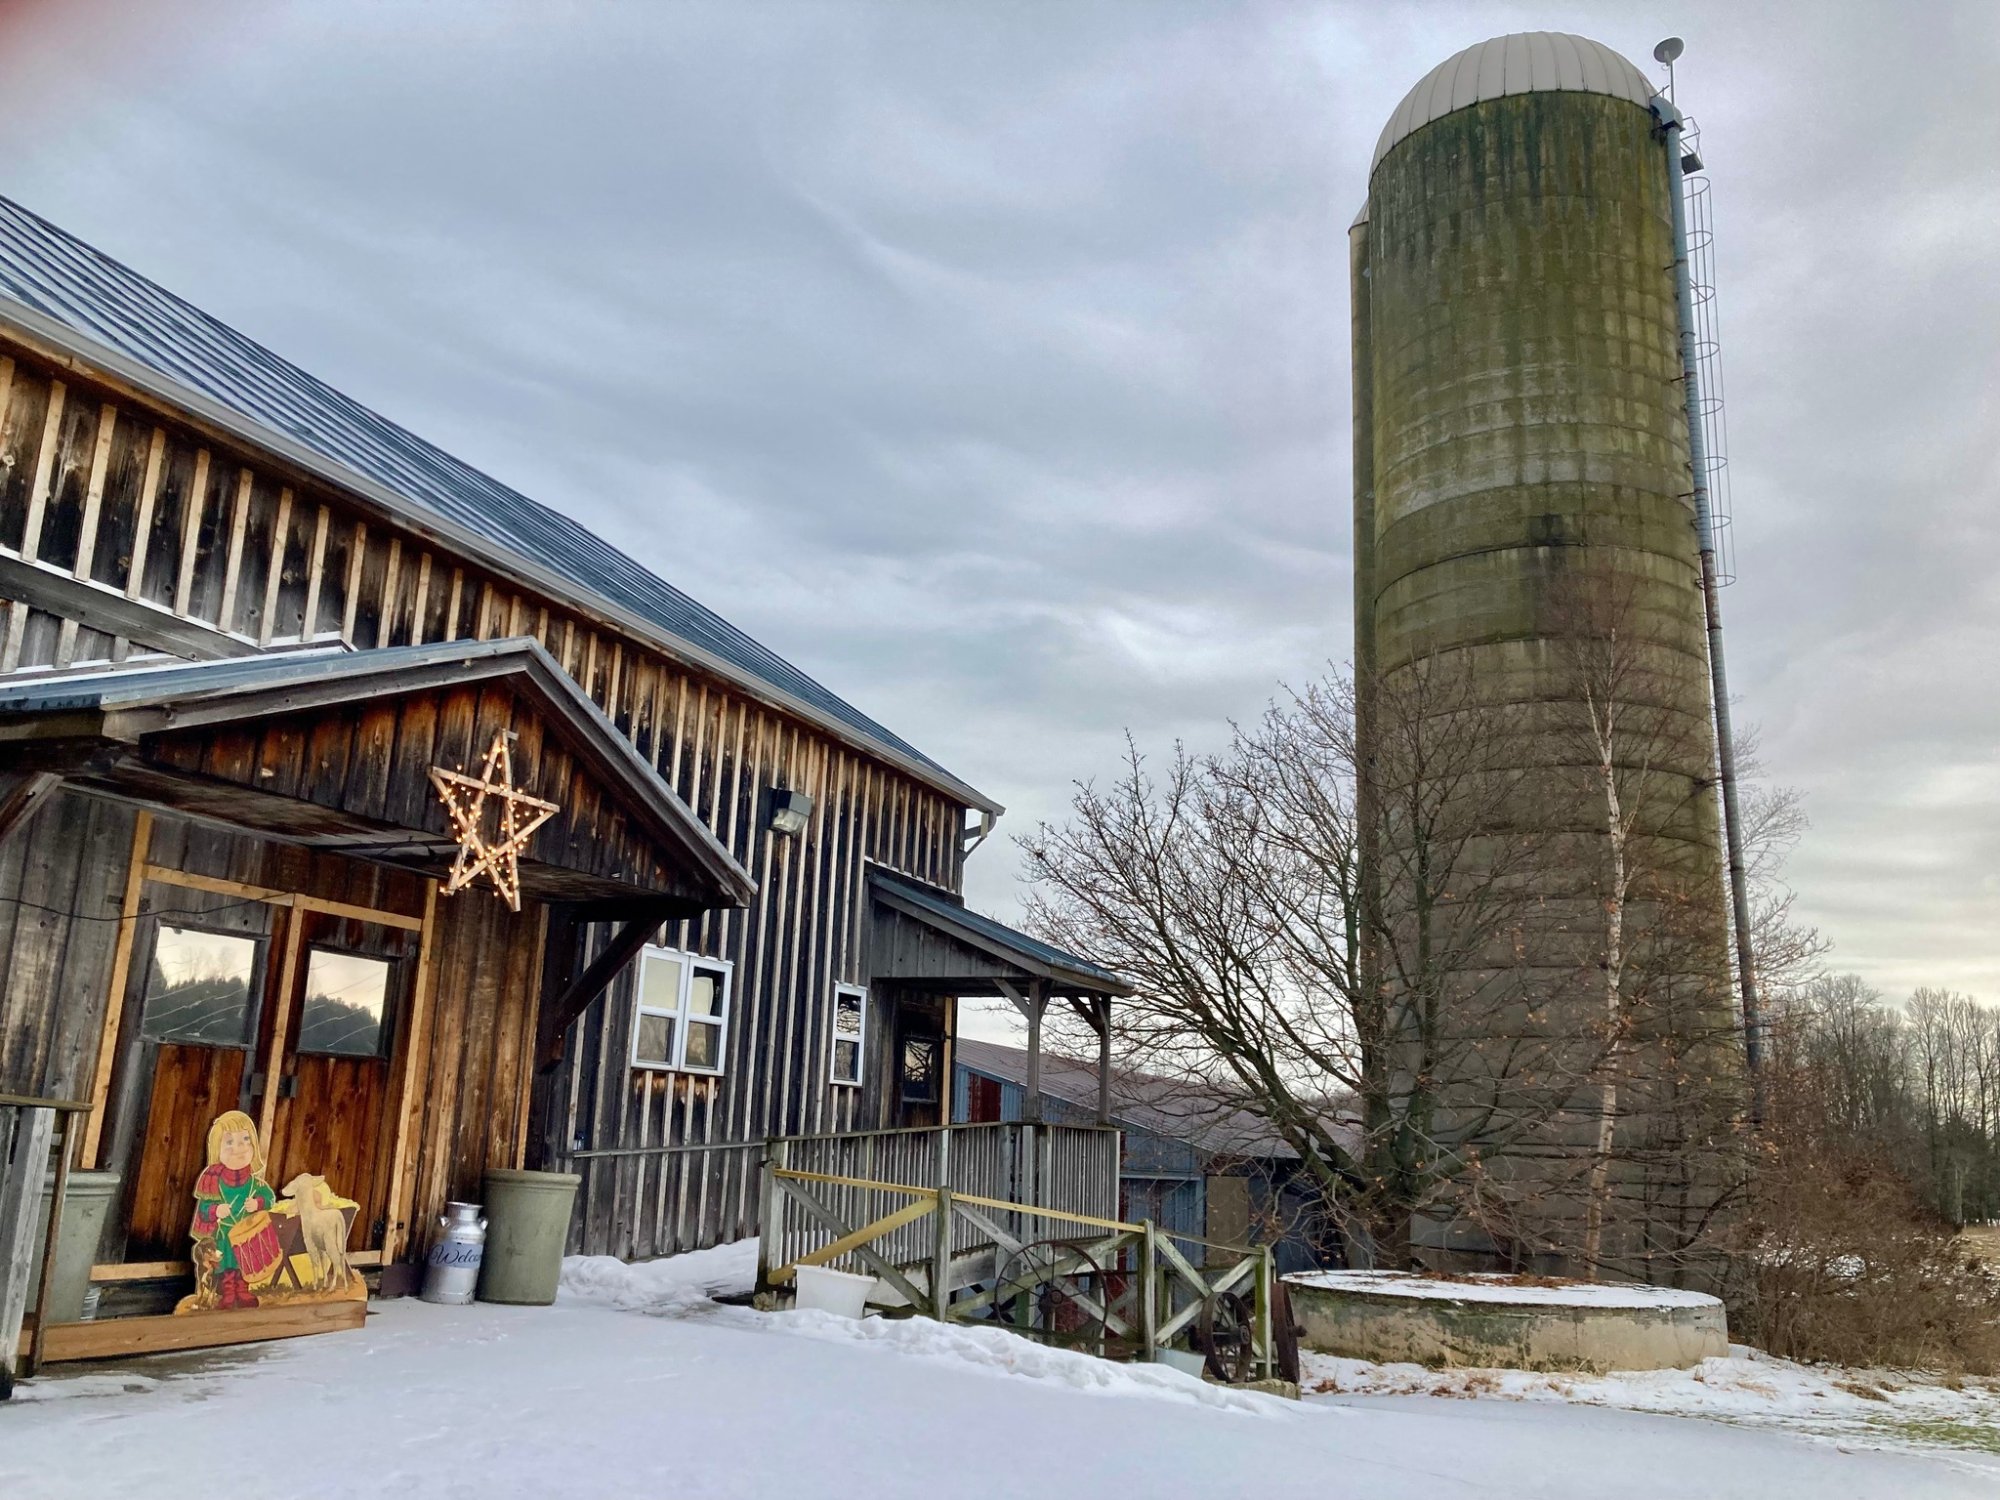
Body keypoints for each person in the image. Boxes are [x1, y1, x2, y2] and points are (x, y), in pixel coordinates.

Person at [188, 1110, 278, 1310]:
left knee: (243, 1265)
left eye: (245, 1140)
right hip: (224, 1234)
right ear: (216, 1149)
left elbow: (270, 1199)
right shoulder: (212, 1182)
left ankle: (243, 1290)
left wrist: (258, 1204)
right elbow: (203, 1208)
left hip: (248, 1235)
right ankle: (227, 1292)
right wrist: (216, 1210)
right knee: (226, 1264)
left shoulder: (255, 1183)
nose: (239, 1148)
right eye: (229, 1142)